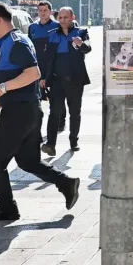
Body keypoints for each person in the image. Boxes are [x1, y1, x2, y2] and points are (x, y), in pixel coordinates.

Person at [0, 2, 80, 221]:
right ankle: (66, 183)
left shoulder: (17, 42)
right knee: (28, 161)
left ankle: (7, 208)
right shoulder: (8, 41)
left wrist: (3, 87)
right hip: (26, 111)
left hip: (20, 113)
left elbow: (33, 73)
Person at [39, 8, 91, 155]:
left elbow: (87, 49)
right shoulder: (52, 35)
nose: (63, 20)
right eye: (60, 17)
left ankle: (74, 140)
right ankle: (50, 144)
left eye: (66, 17)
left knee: (75, 112)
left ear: (72, 17)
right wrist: (44, 77)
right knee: (54, 113)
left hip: (75, 80)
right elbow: (47, 59)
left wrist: (81, 44)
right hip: (57, 80)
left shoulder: (81, 33)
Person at [28, 1, 63, 134]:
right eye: (40, 10)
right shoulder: (32, 27)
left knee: (56, 97)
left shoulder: (57, 26)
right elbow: (30, 47)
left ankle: (61, 121)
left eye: (45, 10)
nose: (42, 13)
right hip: (37, 65)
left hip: (53, 66)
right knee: (37, 96)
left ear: (50, 11)